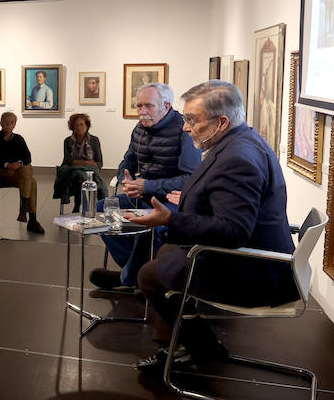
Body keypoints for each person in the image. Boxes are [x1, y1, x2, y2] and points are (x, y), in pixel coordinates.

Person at [125, 80, 293, 370]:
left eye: (192, 120)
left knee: (148, 276)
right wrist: (191, 199)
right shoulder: (243, 141)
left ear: (221, 122)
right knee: (167, 251)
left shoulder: (237, 159)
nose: (185, 127)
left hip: (256, 272)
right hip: (262, 255)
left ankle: (199, 349)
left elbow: (233, 231)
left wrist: (170, 218)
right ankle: (179, 342)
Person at [90, 83, 200, 292]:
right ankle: (135, 274)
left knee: (150, 224)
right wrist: (127, 180)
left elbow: (189, 178)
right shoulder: (139, 128)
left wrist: (147, 186)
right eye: (139, 106)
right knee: (102, 209)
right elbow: (127, 162)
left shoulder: (184, 131)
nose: (142, 111)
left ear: (166, 106)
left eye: (148, 106)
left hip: (172, 199)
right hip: (143, 194)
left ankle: (129, 277)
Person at [0, 112, 45, 233]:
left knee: (28, 173)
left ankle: (26, 211)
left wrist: (19, 163)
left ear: (14, 125)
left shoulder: (18, 139)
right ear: (0, 122)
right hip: (0, 174)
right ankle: (31, 218)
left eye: (11, 122)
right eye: (6, 121)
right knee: (31, 181)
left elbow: (27, 157)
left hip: (17, 174)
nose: (8, 124)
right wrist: (7, 165)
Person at [53, 112, 105, 203]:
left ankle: (80, 206)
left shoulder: (94, 140)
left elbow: (99, 163)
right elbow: (67, 160)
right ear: (72, 127)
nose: (79, 127)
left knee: (82, 178)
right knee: (78, 178)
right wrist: (86, 163)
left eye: (81, 124)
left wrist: (85, 164)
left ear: (87, 125)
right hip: (71, 171)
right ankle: (83, 205)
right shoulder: (68, 141)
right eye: (76, 125)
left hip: (90, 171)